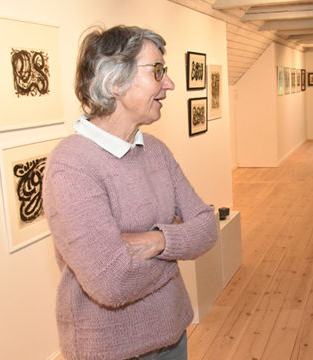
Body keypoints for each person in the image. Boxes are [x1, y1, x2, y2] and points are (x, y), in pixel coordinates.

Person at [43, 25, 218, 360]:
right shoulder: (71, 166)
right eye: (157, 71)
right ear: (115, 83)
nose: (169, 83)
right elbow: (111, 282)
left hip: (173, 336)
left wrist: (158, 241)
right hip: (112, 351)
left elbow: (207, 225)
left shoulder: (156, 150)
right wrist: (181, 243)